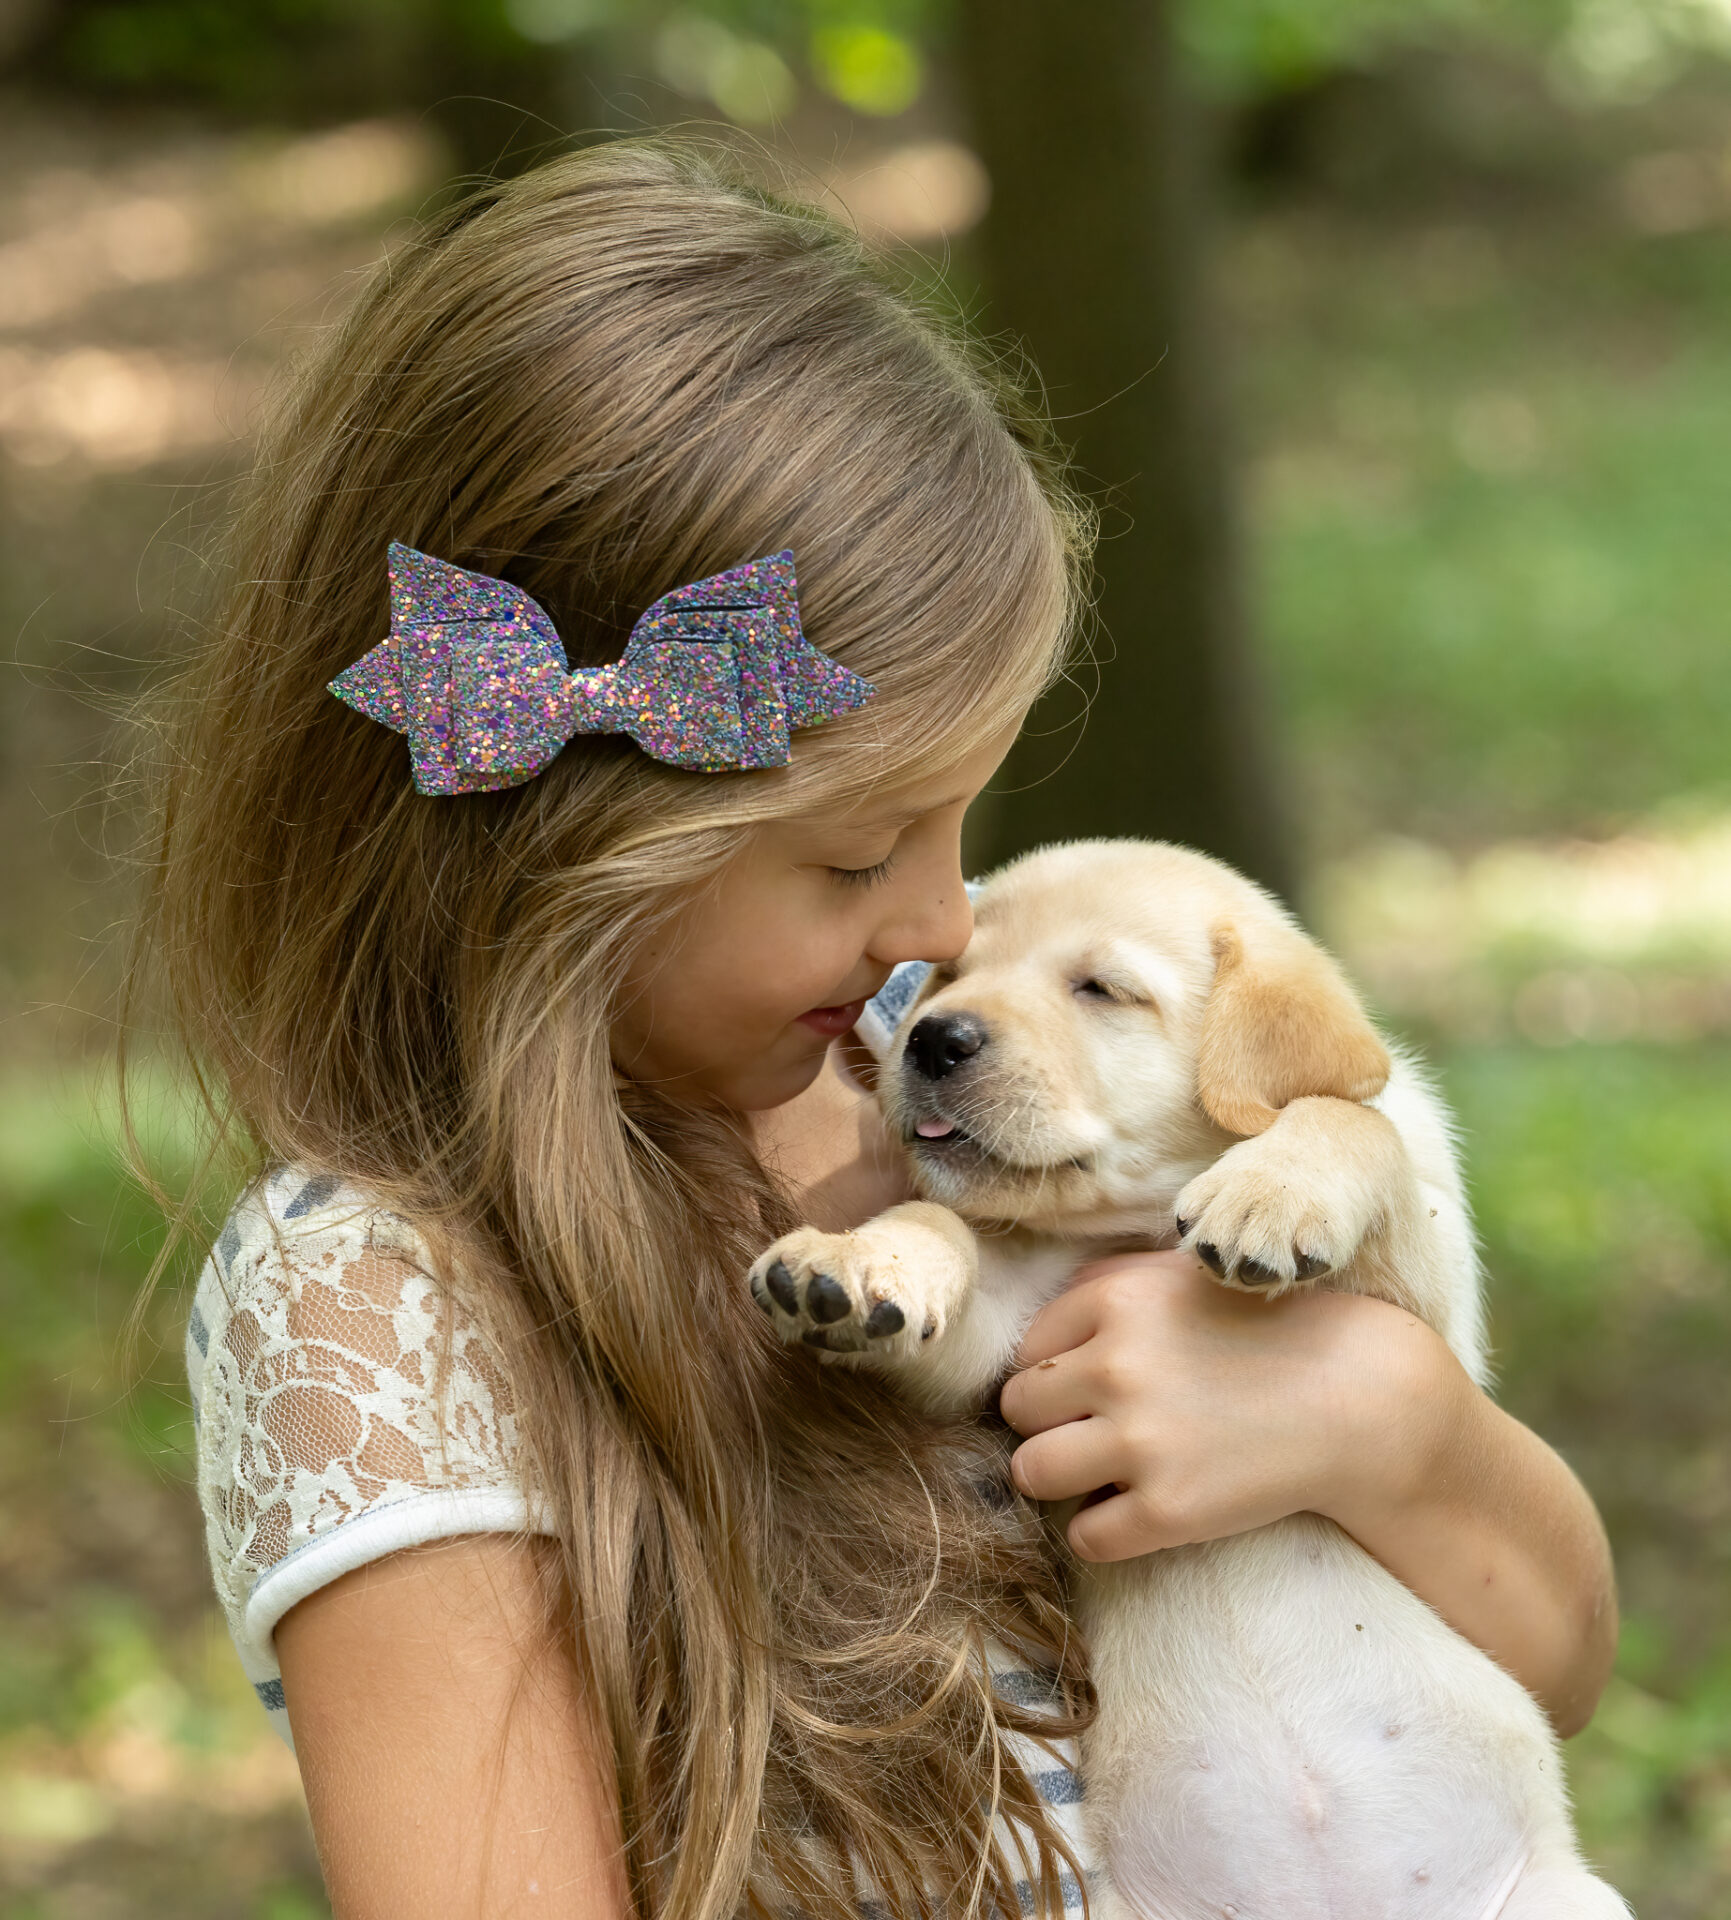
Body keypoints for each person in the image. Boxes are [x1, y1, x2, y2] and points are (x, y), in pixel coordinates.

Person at [130, 141, 1617, 1920]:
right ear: (570, 847)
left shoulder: (941, 1077)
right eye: (857, 855)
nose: (942, 929)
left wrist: (1393, 1421)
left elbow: (1554, 1665)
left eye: (960, 829)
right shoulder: (374, 1301)